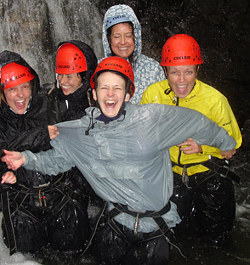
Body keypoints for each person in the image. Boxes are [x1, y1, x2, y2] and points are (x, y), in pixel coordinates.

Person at [2, 56, 236, 265]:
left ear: (127, 94)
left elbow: (198, 122)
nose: (110, 94)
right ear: (94, 94)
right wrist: (25, 158)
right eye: (104, 88)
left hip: (155, 228)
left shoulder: (152, 119)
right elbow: (58, 160)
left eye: (117, 88)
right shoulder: (84, 130)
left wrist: (225, 144)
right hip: (114, 224)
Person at [140, 34, 242, 245]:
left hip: (210, 176)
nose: (181, 80)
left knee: (217, 242)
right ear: (165, 70)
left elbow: (232, 148)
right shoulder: (153, 95)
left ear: (197, 70)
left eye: (188, 72)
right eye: (174, 72)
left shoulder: (215, 101)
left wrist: (201, 148)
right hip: (173, 178)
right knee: (178, 239)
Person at [0, 50, 90, 255]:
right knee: (26, 253)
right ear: (3, 92)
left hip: (60, 195)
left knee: (73, 251)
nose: (20, 95)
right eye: (12, 90)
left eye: (24, 87)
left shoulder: (51, 104)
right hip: (22, 203)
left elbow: (78, 117)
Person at [101, 4, 165, 104]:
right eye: (117, 36)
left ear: (136, 36)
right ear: (109, 39)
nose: (123, 42)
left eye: (128, 35)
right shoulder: (98, 69)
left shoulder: (153, 70)